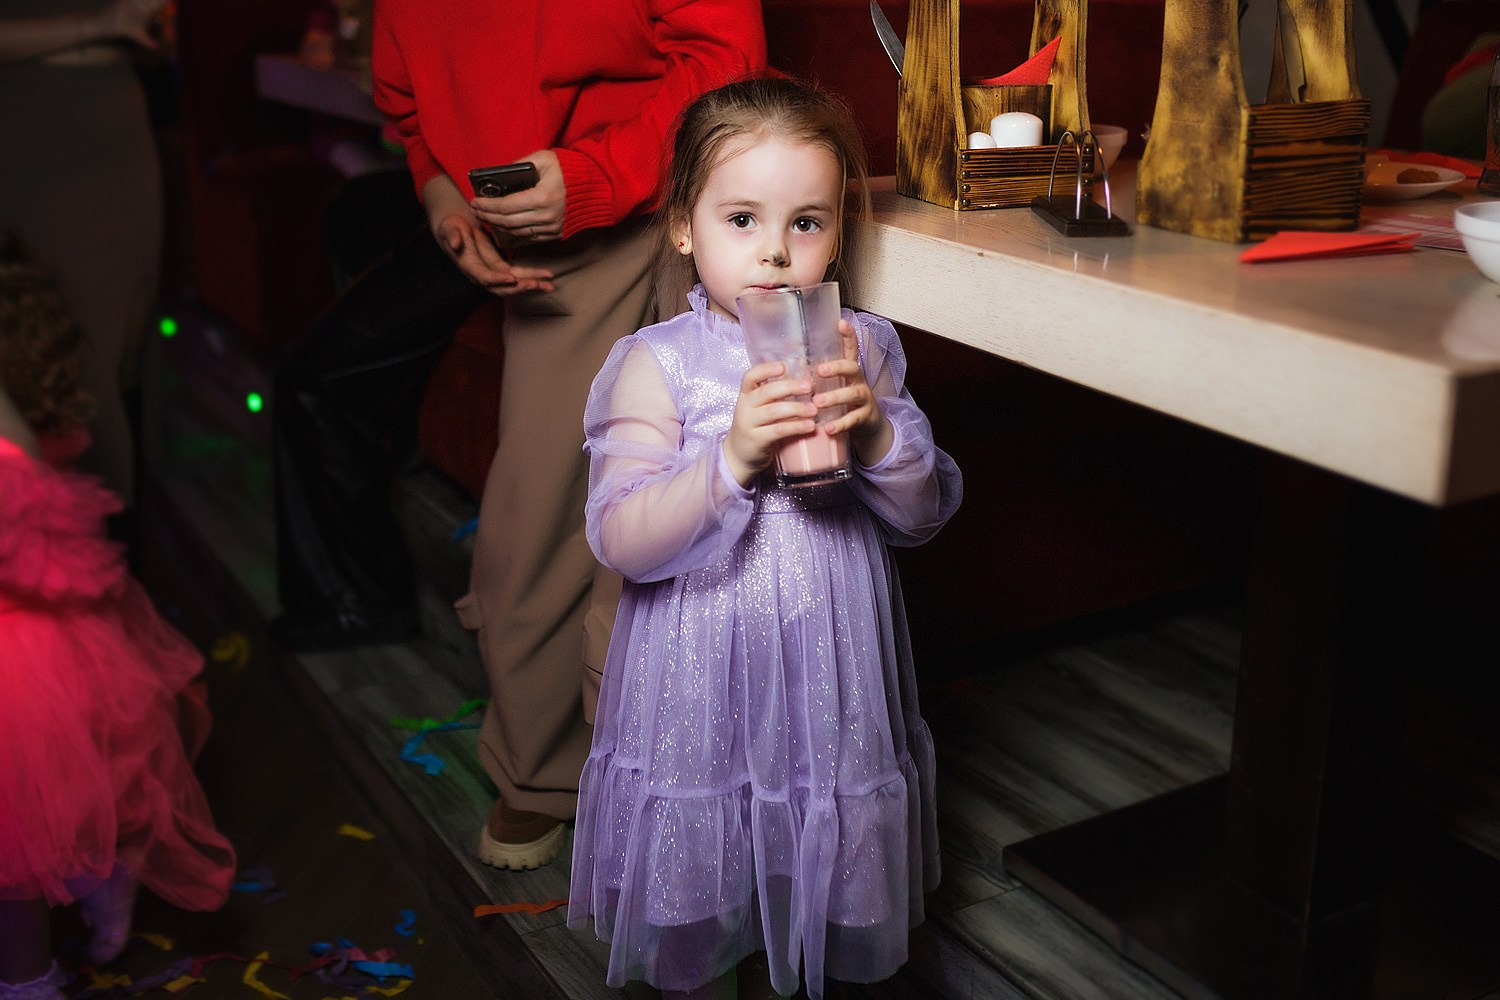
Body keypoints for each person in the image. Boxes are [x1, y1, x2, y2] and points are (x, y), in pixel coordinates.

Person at [270, 0, 767, 869]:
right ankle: (548, 768)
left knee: (694, 490)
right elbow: (413, 109)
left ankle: (674, 771)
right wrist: (442, 197)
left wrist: (597, 173)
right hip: (535, 229)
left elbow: (727, 52)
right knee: (536, 512)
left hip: (680, 191)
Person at [566, 77, 963, 1000]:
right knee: (703, 852)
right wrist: (733, 457)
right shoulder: (658, 363)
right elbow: (621, 535)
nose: (777, 253)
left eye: (807, 223)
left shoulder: (860, 348)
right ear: (683, 226)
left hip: (830, 653)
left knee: (821, 819)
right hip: (698, 661)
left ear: (837, 235)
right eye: (742, 219)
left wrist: (874, 434)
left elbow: (923, 512)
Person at [0, 231, 236, 1000]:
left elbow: (30, 520)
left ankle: (30, 978)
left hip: (21, 659)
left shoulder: (8, 442)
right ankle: (97, 869)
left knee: (15, 848)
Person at [0, 0, 170, 519]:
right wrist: (100, 25)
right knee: (68, 356)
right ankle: (83, 538)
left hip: (118, 117)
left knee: (127, 353)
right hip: (31, 125)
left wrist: (147, 30)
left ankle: (121, 539)